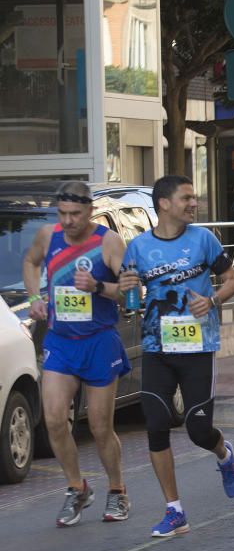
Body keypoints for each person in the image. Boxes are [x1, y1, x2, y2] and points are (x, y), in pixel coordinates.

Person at [118, 175, 234, 537]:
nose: (194, 203)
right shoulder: (138, 248)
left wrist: (213, 300)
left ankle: (224, 455)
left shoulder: (203, 239)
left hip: (198, 347)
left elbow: (233, 280)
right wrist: (125, 290)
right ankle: (175, 510)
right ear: (164, 204)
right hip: (157, 348)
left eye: (194, 197)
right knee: (156, 425)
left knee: (198, 429)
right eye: (186, 198)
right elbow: (128, 300)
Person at [22, 182, 132, 526]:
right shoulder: (47, 235)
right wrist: (35, 297)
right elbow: (30, 261)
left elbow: (131, 293)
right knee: (54, 419)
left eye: (75, 214)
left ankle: (117, 491)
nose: (68, 221)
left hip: (99, 341)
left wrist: (98, 287)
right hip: (61, 339)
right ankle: (76, 488)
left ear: (89, 211)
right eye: (62, 214)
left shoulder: (108, 242)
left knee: (100, 426)